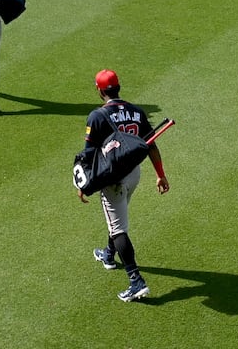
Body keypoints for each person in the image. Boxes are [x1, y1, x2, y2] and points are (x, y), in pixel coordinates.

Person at [78, 69, 168, 303]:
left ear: (99, 91)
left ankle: (135, 280)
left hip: (113, 179)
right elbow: (151, 145)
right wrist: (160, 175)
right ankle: (109, 255)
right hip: (134, 175)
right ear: (118, 87)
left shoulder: (97, 116)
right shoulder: (137, 112)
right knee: (116, 218)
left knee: (118, 228)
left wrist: (82, 183)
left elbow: (89, 153)